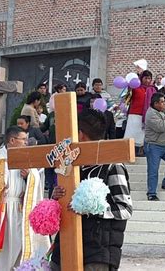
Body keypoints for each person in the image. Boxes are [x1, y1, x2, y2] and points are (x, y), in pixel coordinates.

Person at [50, 109, 133, 270]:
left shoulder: (112, 165)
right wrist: (55, 197)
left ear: (80, 134)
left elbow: (125, 209)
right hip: (64, 247)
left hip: (98, 251)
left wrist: (92, 209)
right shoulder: (70, 165)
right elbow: (65, 204)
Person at [0, 126, 48, 270]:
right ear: (12, 140)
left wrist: (29, 176)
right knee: (0, 257)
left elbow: (36, 181)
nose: (26, 143)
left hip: (20, 214)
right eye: (23, 139)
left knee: (20, 253)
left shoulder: (25, 160)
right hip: (0, 215)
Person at [124, 70, 157, 154]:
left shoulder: (153, 89)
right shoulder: (135, 87)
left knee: (144, 136)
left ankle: (142, 152)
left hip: (147, 115)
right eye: (145, 78)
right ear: (141, 78)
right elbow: (128, 96)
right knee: (132, 135)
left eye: (149, 78)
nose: (147, 80)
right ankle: (130, 153)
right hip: (134, 114)